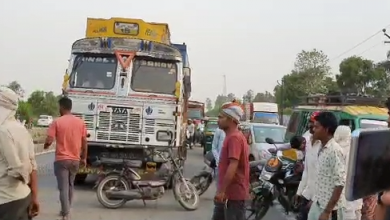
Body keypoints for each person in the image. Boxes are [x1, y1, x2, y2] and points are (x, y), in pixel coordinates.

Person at [44, 96, 87, 220]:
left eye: (59, 107)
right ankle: (66, 209)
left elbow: (49, 139)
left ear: (62, 107)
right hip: (75, 160)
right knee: (70, 185)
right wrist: (83, 158)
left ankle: (66, 213)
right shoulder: (80, 122)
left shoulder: (57, 122)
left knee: (63, 187)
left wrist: (46, 146)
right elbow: (84, 141)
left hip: (62, 160)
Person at [0, 87, 39, 220]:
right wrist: (34, 197)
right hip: (23, 197)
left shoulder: (2, 131)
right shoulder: (22, 130)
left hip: (5, 201)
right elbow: (33, 165)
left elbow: (17, 169)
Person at [212, 101, 249, 220]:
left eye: (221, 117)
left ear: (231, 119)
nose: (218, 120)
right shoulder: (231, 137)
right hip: (227, 195)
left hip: (233, 195)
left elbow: (233, 165)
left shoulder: (234, 138)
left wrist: (222, 191)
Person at [308, 111, 346, 220]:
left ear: (327, 129)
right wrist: (315, 200)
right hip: (319, 204)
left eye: (317, 127)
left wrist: (327, 211)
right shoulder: (321, 147)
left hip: (330, 210)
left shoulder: (334, 150)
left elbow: (340, 183)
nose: (313, 129)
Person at [296, 113, 321, 220]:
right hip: (307, 195)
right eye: (310, 123)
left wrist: (315, 199)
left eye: (314, 124)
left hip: (318, 200)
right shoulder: (308, 142)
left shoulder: (324, 146)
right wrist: (299, 191)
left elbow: (323, 177)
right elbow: (307, 171)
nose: (311, 126)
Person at [334, 126, 362, 220]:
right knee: (356, 211)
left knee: (345, 212)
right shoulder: (357, 147)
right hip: (357, 188)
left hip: (343, 189)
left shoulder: (338, 148)